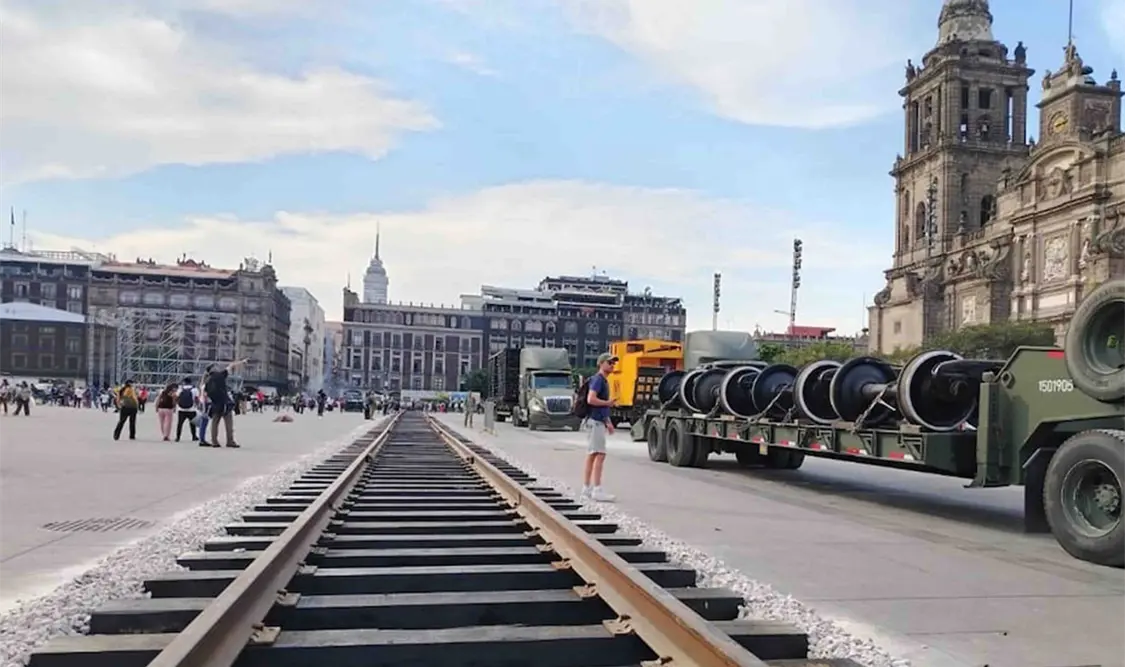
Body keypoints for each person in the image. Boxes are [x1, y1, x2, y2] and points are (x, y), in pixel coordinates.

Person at [581, 353, 618, 502]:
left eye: (613, 363)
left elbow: (599, 405)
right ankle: (597, 489)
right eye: (610, 362)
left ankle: (587, 488)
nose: (612, 365)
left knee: (592, 454)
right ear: (601, 363)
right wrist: (607, 403)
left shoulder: (603, 381)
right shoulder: (599, 380)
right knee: (599, 454)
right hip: (595, 422)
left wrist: (608, 421)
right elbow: (591, 399)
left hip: (596, 421)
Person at [204, 359, 246, 448]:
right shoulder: (220, 375)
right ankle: (230, 441)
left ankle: (214, 441)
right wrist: (242, 362)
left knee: (214, 423)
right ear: (213, 369)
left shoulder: (207, 380)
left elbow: (206, 393)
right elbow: (231, 366)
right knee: (228, 423)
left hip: (214, 403)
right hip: (224, 402)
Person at [175, 377, 199, 442]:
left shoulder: (180, 389)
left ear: (184, 382)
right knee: (193, 423)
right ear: (191, 382)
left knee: (180, 424)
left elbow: (176, 397)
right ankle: (194, 436)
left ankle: (178, 437)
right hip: (192, 409)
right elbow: (196, 399)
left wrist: (178, 403)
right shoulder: (194, 389)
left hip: (181, 409)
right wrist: (197, 405)